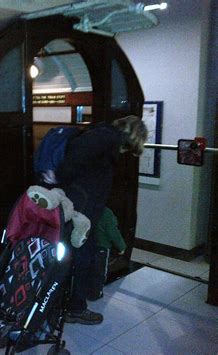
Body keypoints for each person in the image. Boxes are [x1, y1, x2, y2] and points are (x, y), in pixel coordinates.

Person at [51, 115, 148, 325]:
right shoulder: (104, 140)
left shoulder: (103, 137)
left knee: (74, 257)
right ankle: (73, 308)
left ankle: (63, 305)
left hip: (83, 210)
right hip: (81, 213)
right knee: (79, 259)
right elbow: (69, 168)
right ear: (133, 136)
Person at [87, 207, 126, 301]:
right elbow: (112, 231)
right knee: (99, 271)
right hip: (102, 247)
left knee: (87, 269)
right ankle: (95, 293)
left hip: (87, 245)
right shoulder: (106, 212)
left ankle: (84, 290)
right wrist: (122, 246)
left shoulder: (88, 207)